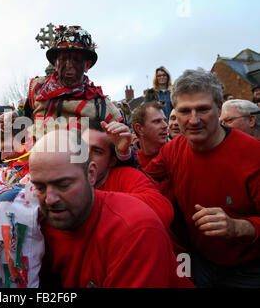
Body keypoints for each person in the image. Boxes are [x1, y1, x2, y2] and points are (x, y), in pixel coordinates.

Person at [30, 129, 193, 288]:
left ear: (91, 173)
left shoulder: (136, 230)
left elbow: (162, 208)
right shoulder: (35, 226)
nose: (50, 199)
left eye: (63, 185)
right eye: (39, 187)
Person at [144, 68, 260, 287]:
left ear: (218, 109)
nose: (194, 120)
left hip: (249, 271)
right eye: (185, 111)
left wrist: (238, 227)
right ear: (175, 112)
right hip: (200, 264)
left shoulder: (254, 155)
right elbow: (143, 180)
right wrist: (121, 154)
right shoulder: (172, 150)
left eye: (203, 109)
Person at [7, 25, 121, 134]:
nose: (68, 65)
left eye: (76, 59)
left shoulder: (101, 106)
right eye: (63, 59)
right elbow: (25, 123)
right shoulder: (37, 89)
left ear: (87, 65)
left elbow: (121, 143)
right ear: (56, 64)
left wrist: (123, 152)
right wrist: (12, 121)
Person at [82, 120, 174, 229]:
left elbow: (163, 211)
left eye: (97, 151)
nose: (86, 156)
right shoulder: (61, 178)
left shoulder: (126, 176)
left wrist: (92, 200)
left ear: (112, 161)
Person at [131, 101, 169, 168]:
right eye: (157, 121)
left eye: (165, 120)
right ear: (139, 129)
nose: (165, 125)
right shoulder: (132, 162)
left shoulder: (177, 153)